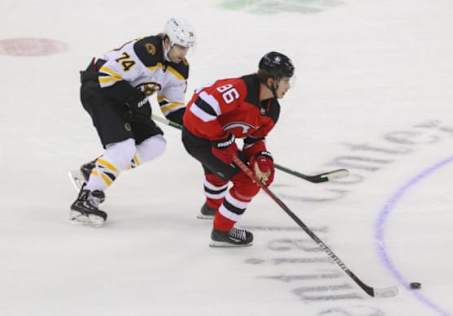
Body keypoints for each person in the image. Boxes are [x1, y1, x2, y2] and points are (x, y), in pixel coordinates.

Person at [70, 17, 196, 226]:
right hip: (99, 89)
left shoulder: (180, 68)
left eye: (186, 48)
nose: (183, 53)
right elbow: (107, 77)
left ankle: (97, 169)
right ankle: (87, 198)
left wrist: (195, 123)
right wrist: (133, 99)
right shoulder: (145, 50)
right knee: (124, 147)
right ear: (166, 41)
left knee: (156, 145)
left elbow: (172, 107)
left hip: (130, 99)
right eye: (179, 47)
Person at [182, 51, 295, 247]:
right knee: (247, 181)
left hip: (218, 140)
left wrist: (261, 159)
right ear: (271, 80)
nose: (288, 86)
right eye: (285, 80)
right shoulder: (239, 89)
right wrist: (222, 139)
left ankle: (212, 207)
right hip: (198, 139)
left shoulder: (272, 109)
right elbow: (198, 110)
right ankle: (222, 231)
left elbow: (255, 139)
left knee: (226, 170)